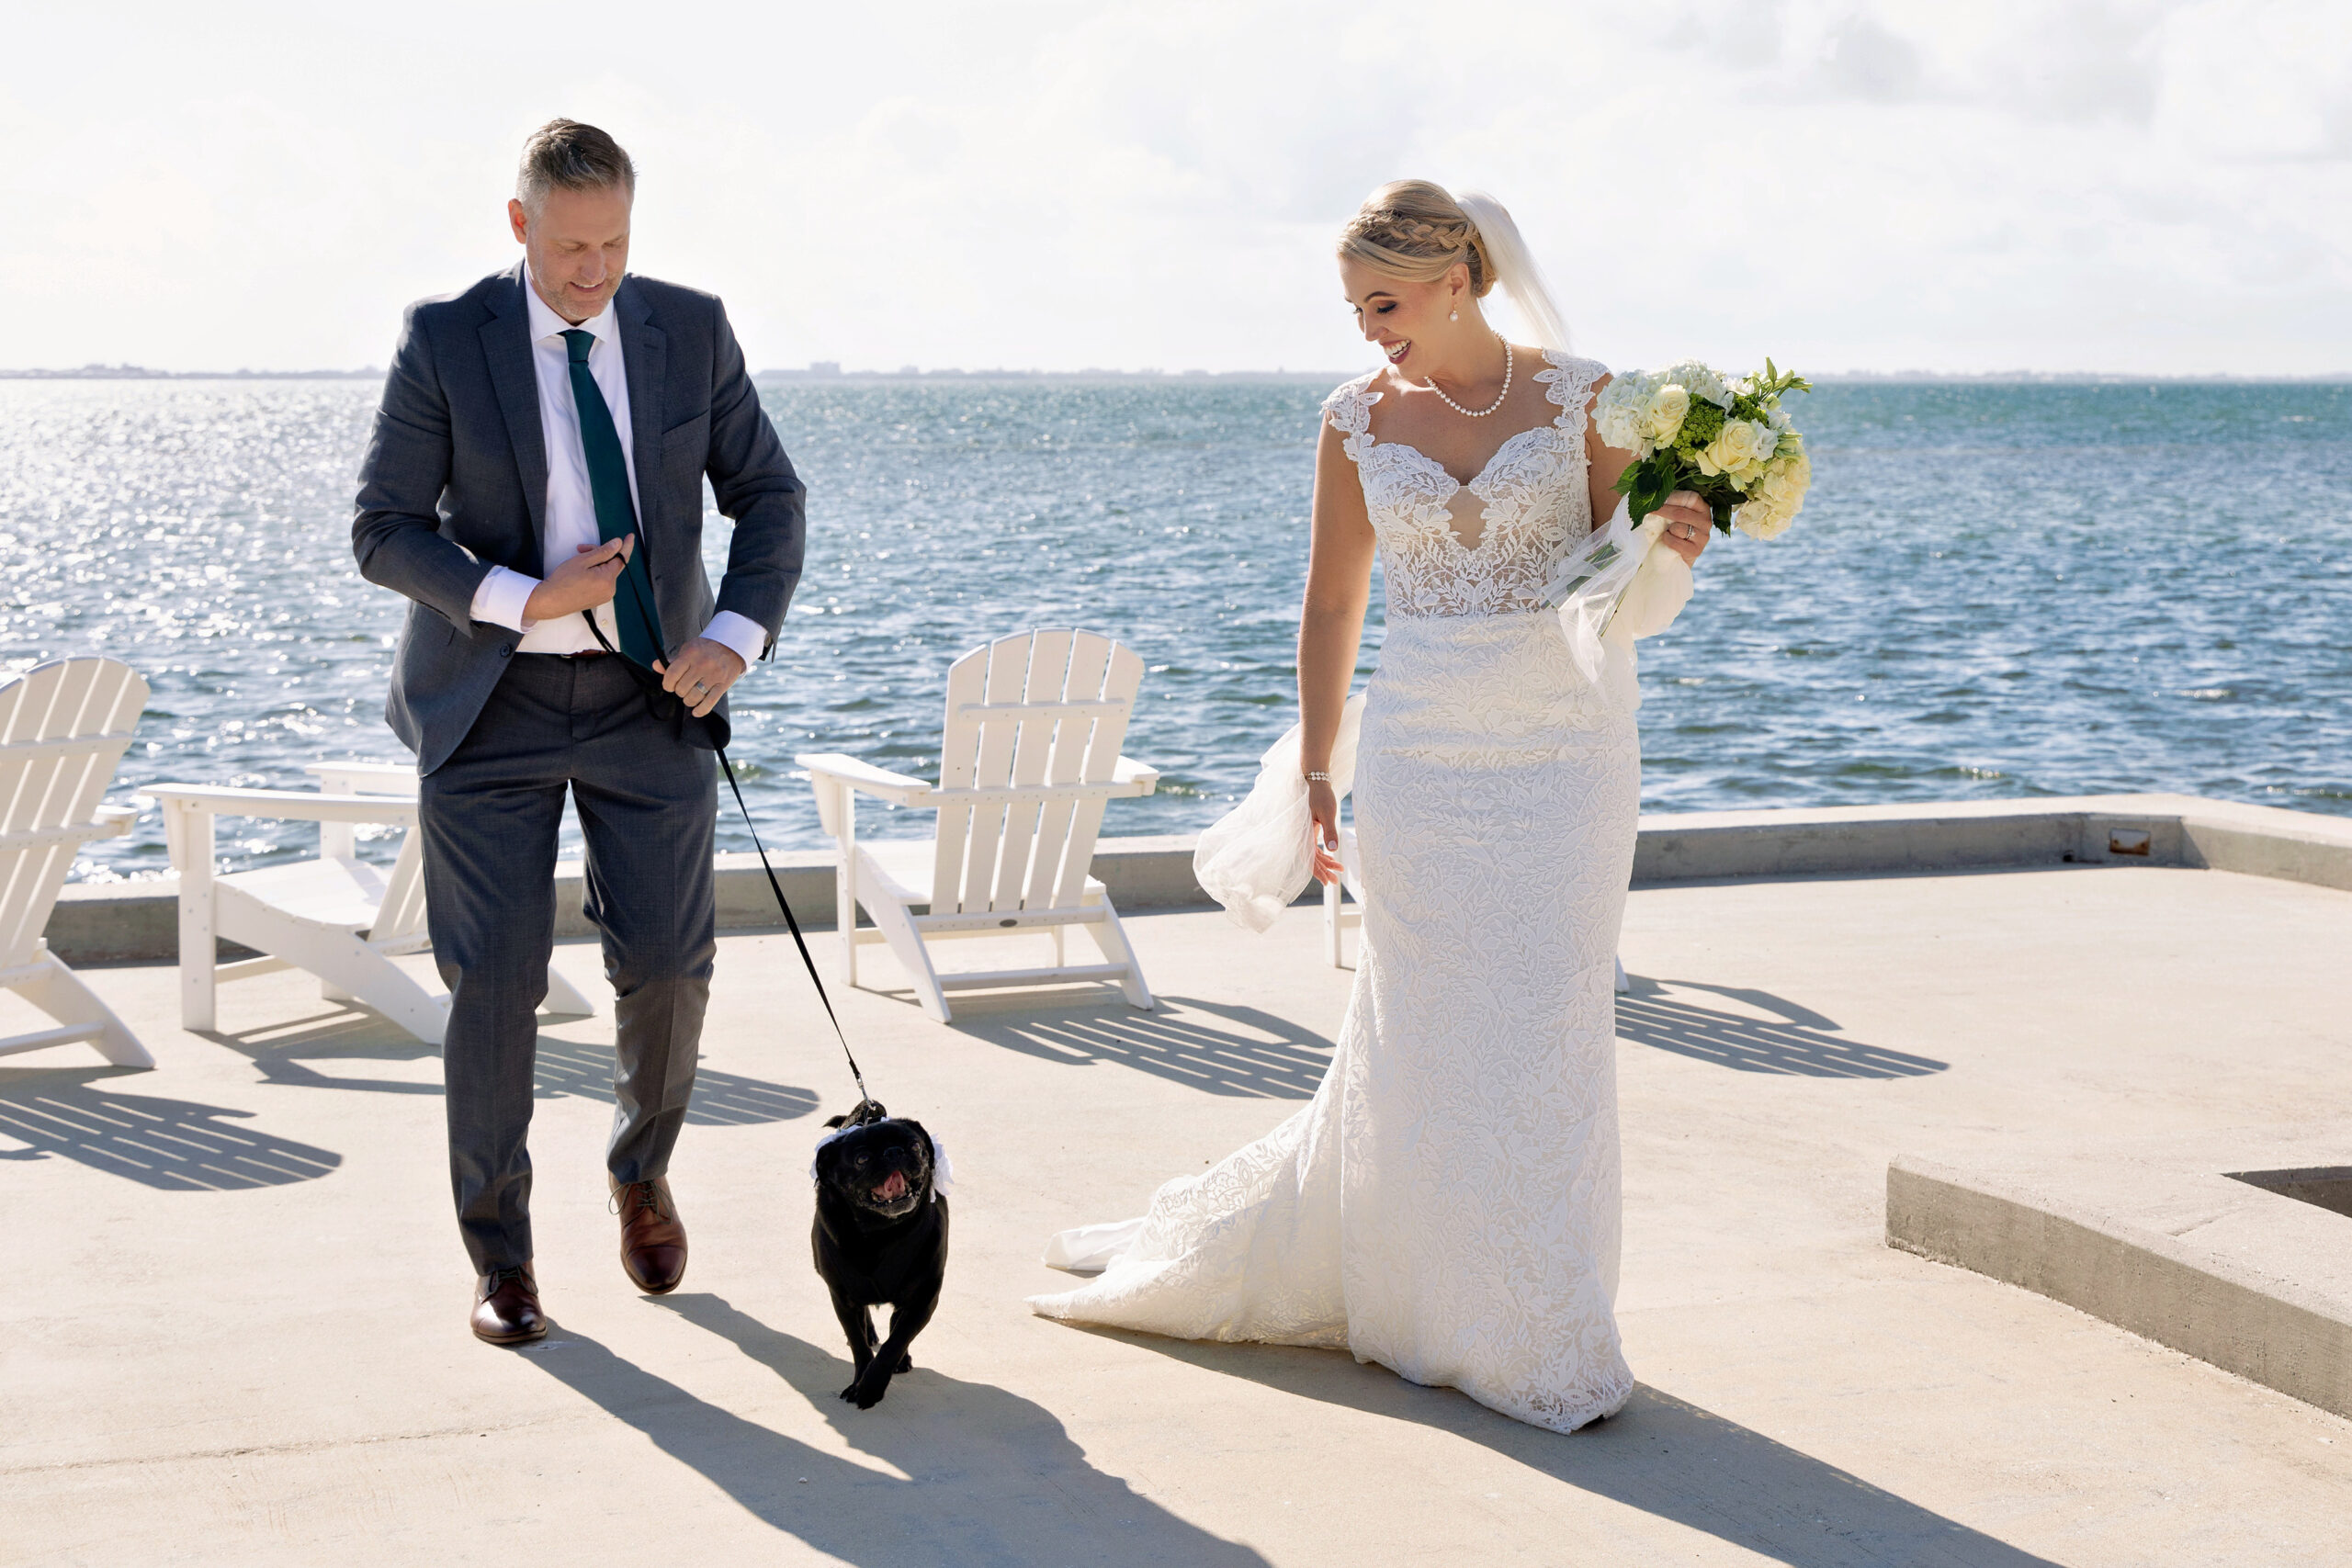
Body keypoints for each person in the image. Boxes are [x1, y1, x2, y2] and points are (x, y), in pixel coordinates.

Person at [1029, 180, 1713, 1431]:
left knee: (1547, 1024)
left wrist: (1675, 544)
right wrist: (1316, 768)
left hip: (1567, 755)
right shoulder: (1353, 421)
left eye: (1383, 303)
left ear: (1456, 278)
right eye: (1353, 309)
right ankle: (1428, 1306)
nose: (1367, 331)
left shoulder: (1586, 399)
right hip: (1424, 755)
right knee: (1430, 1030)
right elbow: (1334, 605)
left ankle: (1537, 1319)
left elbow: (1629, 594)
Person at [353, 118, 805, 1345]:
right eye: (568, 247)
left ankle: (639, 1167)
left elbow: (768, 494)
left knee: (667, 966)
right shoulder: (446, 338)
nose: (592, 269)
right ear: (519, 227)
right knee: (495, 985)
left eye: (612, 243)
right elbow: (384, 527)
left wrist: (738, 634)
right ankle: (502, 1260)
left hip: (648, 702)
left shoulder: (690, 327)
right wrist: (525, 597)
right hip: (485, 705)